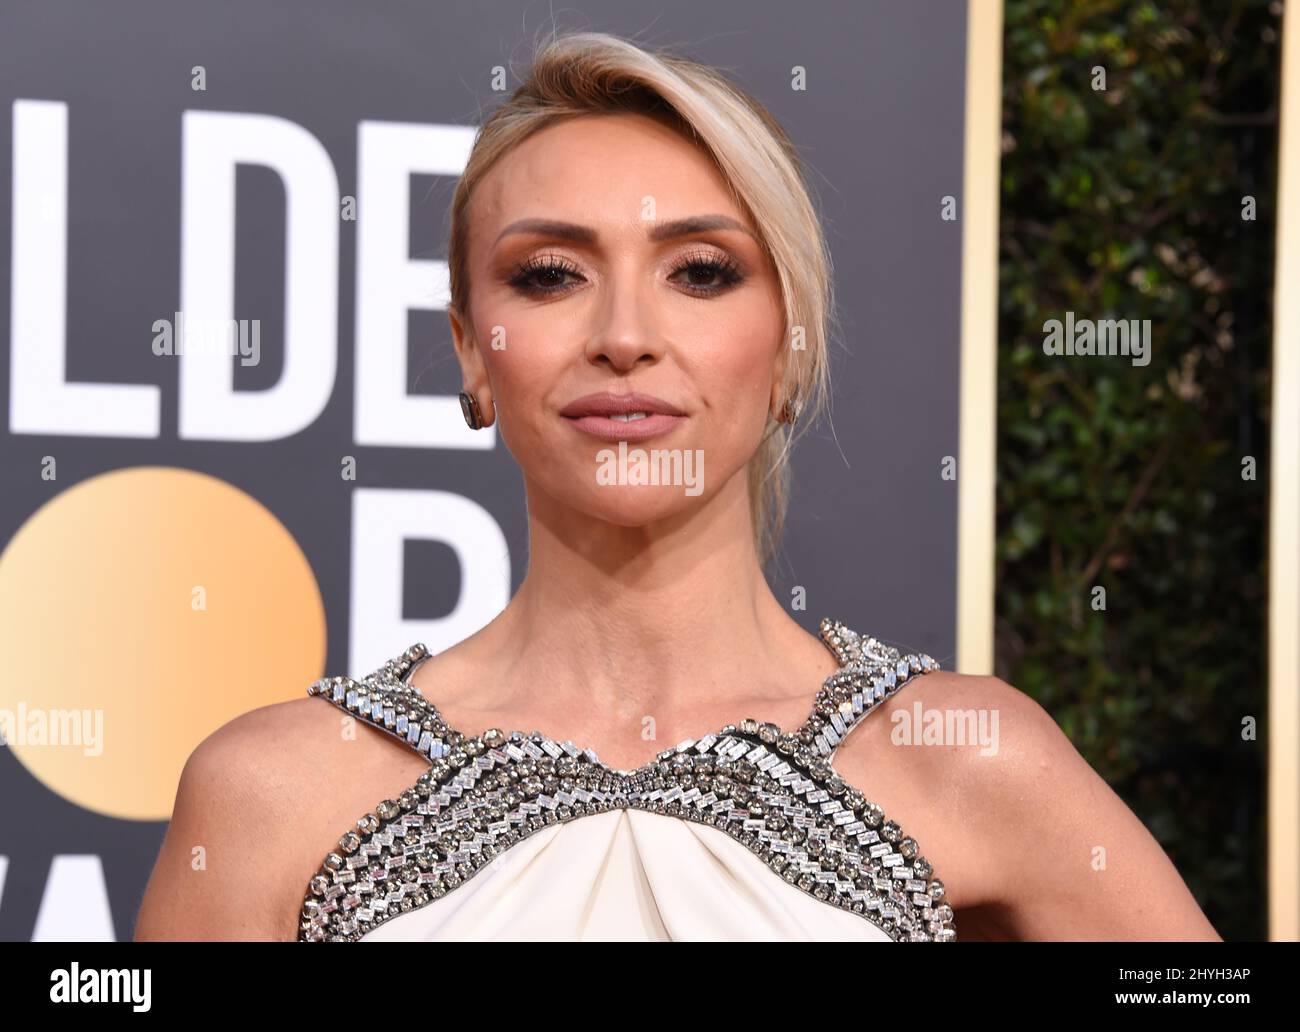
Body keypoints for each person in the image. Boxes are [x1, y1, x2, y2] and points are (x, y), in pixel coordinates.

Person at [134, 30, 1221, 942]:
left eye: (700, 272)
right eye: (549, 275)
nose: (624, 337)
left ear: (791, 345)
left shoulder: (969, 760)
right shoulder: (269, 795)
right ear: (472, 349)